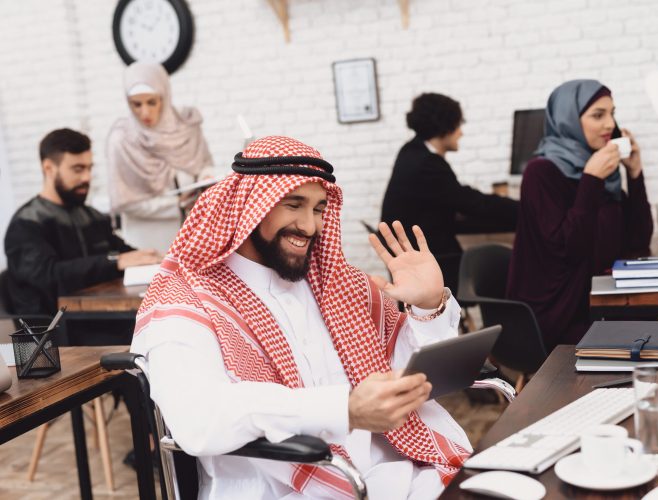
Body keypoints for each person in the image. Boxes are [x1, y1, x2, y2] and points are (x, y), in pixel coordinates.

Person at [132, 136, 471, 499]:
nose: (310, 227)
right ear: (250, 205)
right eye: (294, 205)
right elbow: (198, 418)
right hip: (282, 490)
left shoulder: (340, 284)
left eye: (319, 209)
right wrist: (343, 410)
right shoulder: (186, 300)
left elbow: (405, 376)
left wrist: (428, 306)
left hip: (400, 474)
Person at [506, 80, 653, 350]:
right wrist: (590, 180)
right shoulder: (541, 172)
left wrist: (634, 175)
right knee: (637, 342)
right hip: (559, 311)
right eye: (598, 115)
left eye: (612, 113)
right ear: (568, 120)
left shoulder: (601, 170)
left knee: (657, 333)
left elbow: (637, 242)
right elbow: (569, 249)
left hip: (603, 298)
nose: (610, 124)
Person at [4, 128, 161, 318]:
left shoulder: (91, 216)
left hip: (100, 317)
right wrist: (114, 262)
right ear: (49, 168)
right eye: (78, 169)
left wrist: (156, 259)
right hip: (54, 332)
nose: (86, 177)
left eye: (89, 168)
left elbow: (127, 255)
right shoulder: (26, 224)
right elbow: (49, 276)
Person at [381, 93, 518, 293]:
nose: (461, 132)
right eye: (458, 125)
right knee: (504, 270)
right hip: (430, 265)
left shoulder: (411, 151)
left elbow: (454, 196)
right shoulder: (426, 163)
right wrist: (525, 207)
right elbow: (471, 202)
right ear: (444, 126)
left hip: (413, 259)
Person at [106, 61, 214, 254]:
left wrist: (206, 179)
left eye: (152, 102)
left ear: (164, 96)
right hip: (147, 243)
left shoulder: (186, 127)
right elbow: (128, 203)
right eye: (136, 105)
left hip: (193, 237)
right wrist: (177, 204)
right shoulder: (122, 140)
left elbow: (204, 164)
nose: (145, 113)